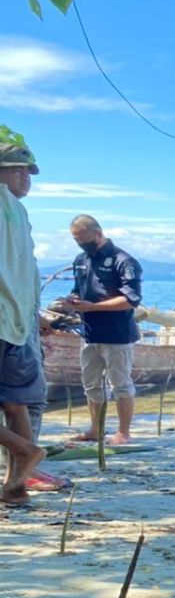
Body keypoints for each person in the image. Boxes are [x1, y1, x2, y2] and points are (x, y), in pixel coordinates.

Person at [65, 214, 143, 445]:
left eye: (84, 239)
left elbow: (130, 300)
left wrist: (93, 306)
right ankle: (95, 429)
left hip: (117, 334)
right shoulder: (81, 259)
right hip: (88, 332)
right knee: (90, 384)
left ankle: (123, 432)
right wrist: (73, 300)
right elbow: (78, 288)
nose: (81, 244)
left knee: (120, 384)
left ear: (98, 234)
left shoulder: (123, 261)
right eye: (76, 240)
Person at [0, 142, 47, 504]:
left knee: (16, 404)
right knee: (15, 404)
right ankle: (16, 485)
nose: (25, 178)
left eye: (28, 172)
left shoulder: (16, 211)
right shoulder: (17, 212)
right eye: (17, 170)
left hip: (12, 318)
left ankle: (23, 452)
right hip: (17, 321)